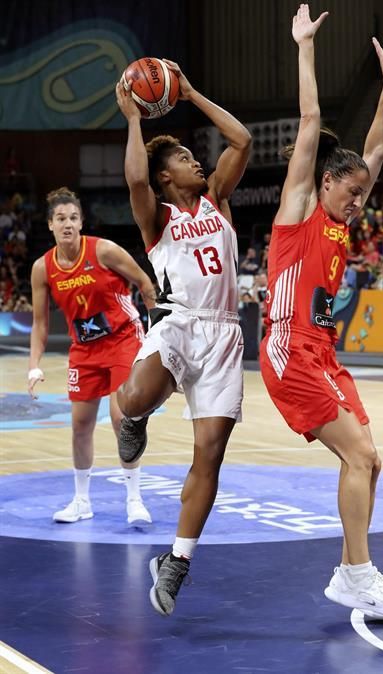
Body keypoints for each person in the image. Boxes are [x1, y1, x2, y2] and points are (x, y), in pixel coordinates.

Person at [259, 5, 383, 619]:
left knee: (371, 460)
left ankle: (353, 573)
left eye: (362, 194)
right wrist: (304, 46)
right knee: (359, 456)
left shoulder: (342, 218)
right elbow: (309, 121)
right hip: (287, 346)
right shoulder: (298, 212)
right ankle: (356, 574)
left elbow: (376, 153)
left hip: (322, 353)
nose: (359, 202)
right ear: (324, 184)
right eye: (351, 192)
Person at [116, 60, 251, 616]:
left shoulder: (218, 198)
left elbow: (240, 140)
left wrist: (191, 93)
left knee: (210, 454)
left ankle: (177, 559)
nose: (196, 161)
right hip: (178, 322)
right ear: (168, 176)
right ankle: (131, 417)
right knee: (140, 396)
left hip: (223, 336)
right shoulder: (158, 217)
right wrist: (132, 118)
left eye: (195, 156)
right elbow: (135, 179)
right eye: (184, 158)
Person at [28, 187, 155, 525]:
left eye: (73, 217)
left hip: (123, 339)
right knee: (80, 425)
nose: (67, 224)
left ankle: (134, 500)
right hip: (84, 349)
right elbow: (40, 324)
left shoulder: (104, 251)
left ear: (81, 221)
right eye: (60, 219)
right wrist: (33, 366)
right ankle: (81, 502)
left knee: (120, 419)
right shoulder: (43, 268)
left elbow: (144, 282)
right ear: (50, 225)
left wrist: (159, 332)